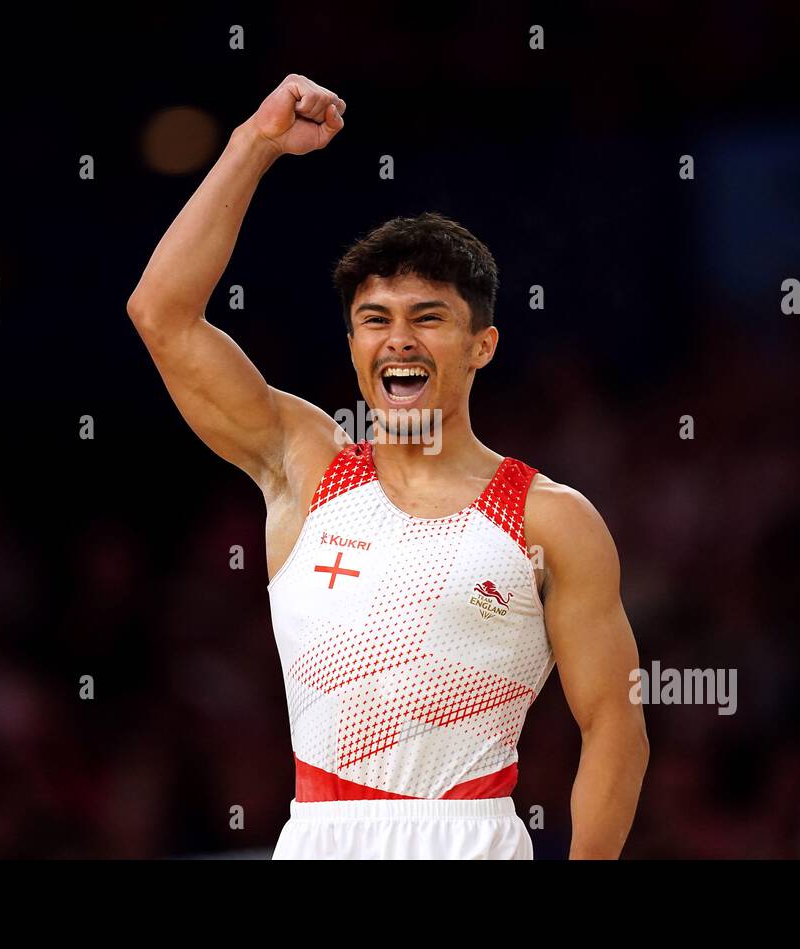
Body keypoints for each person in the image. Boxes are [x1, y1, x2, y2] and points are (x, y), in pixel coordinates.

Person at [127, 74, 648, 859]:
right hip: (315, 836)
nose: (397, 339)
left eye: (427, 318)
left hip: (469, 837)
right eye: (375, 320)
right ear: (352, 347)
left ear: (483, 346)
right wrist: (254, 145)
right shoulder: (305, 467)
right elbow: (161, 314)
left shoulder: (548, 518)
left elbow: (614, 723)